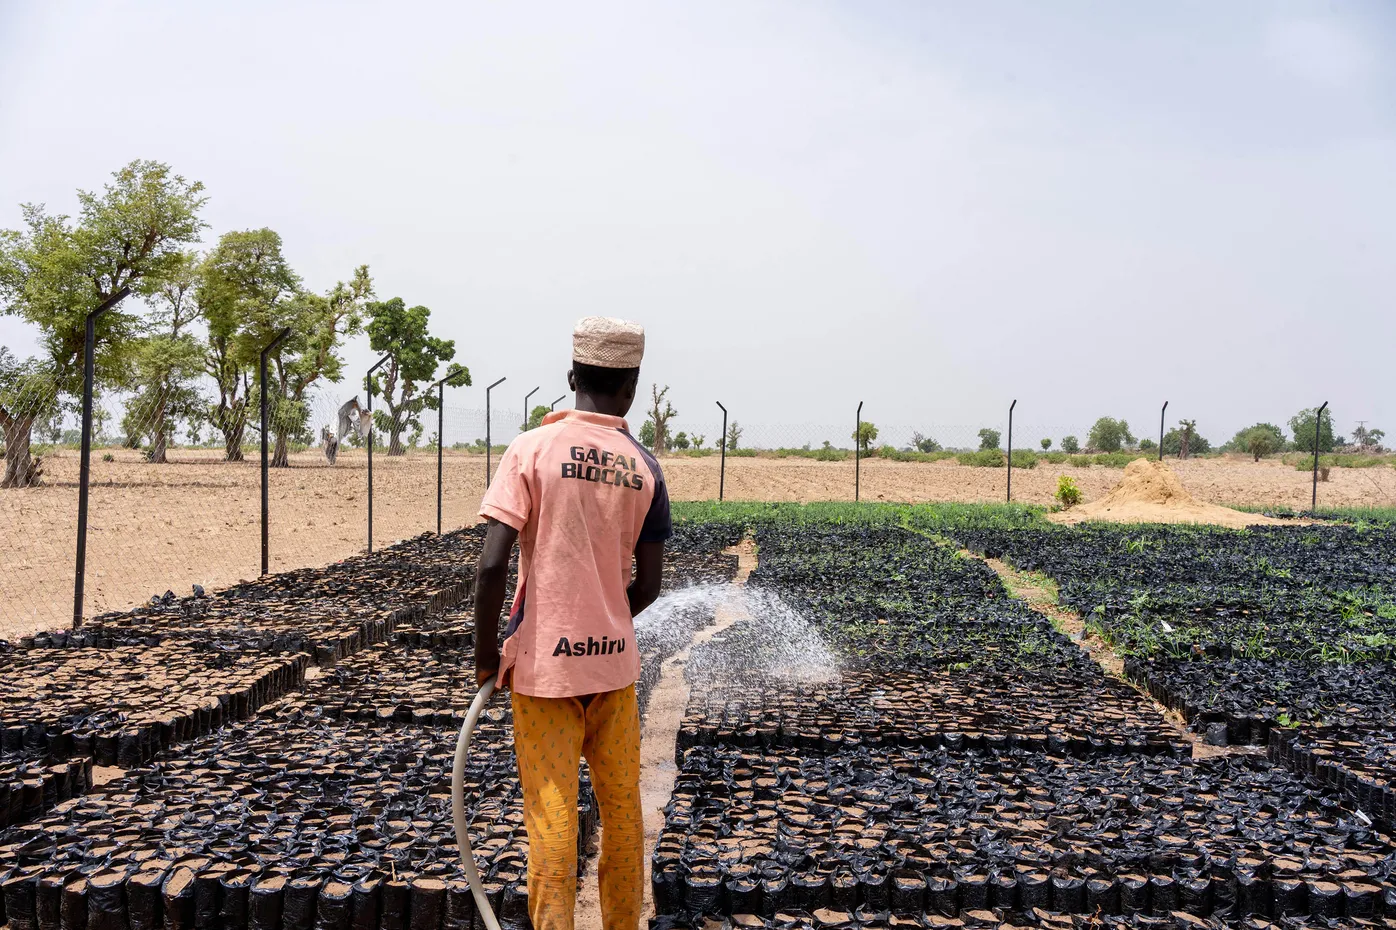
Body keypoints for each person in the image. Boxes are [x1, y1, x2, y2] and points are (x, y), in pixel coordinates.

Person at [473, 316, 670, 930]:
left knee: (554, 828)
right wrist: (605, 618)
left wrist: (486, 655)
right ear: (632, 388)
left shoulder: (531, 450)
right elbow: (650, 585)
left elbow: (490, 566)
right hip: (615, 674)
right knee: (623, 819)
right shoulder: (645, 468)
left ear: (570, 378)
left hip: (543, 678)